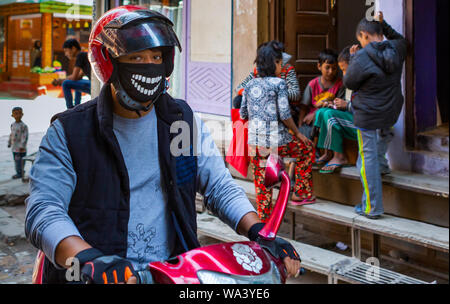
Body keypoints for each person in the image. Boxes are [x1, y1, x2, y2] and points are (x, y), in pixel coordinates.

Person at [25, 6, 301, 284]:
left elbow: (218, 186)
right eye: (137, 56)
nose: (149, 65)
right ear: (109, 62)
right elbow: (44, 210)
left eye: (156, 56)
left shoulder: (179, 122)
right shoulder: (71, 132)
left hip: (172, 274)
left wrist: (260, 232)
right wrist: (90, 260)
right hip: (98, 277)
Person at [240, 41, 315, 222]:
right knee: (306, 150)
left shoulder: (249, 85)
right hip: (277, 141)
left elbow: (243, 112)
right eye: (280, 63)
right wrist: (298, 133)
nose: (282, 67)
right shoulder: (279, 84)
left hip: (255, 144)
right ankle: (301, 192)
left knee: (262, 186)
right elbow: (285, 114)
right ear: (273, 63)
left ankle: (265, 227)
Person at [344, 12, 406, 219]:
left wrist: (353, 59)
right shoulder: (397, 48)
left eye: (360, 40)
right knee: (382, 138)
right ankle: (383, 167)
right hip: (390, 111)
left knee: (366, 159)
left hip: (368, 115)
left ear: (364, 35)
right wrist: (384, 24)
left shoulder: (361, 57)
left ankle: (372, 207)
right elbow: (400, 38)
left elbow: (349, 83)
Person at [313, 46, 358, 174]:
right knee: (321, 112)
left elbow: (365, 108)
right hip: (351, 118)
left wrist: (347, 105)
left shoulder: (363, 82)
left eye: (345, 70)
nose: (343, 74)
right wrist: (335, 104)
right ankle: (328, 152)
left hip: (362, 124)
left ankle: (340, 157)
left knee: (331, 116)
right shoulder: (350, 84)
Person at [299, 49, 345, 157]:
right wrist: (299, 126)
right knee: (304, 133)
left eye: (334, 68)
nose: (331, 71)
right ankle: (313, 155)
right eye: (327, 67)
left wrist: (315, 113)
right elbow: (304, 107)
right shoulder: (312, 84)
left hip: (328, 121)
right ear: (319, 66)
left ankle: (322, 154)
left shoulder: (340, 85)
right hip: (312, 123)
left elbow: (338, 107)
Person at [53, 39, 91, 109]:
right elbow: (78, 77)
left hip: (93, 86)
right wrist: (61, 80)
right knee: (76, 81)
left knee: (66, 83)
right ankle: (77, 107)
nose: (65, 54)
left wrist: (61, 81)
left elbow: (74, 77)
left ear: (73, 48)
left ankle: (70, 109)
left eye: (66, 51)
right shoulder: (83, 55)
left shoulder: (80, 55)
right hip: (93, 85)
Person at [8, 107, 28, 179]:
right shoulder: (12, 125)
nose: (18, 115)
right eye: (15, 114)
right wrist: (9, 142)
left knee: (21, 161)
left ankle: (20, 173)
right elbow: (11, 134)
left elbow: (25, 136)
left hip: (21, 148)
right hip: (14, 148)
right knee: (16, 161)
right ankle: (19, 172)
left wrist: (22, 146)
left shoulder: (23, 126)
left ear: (22, 114)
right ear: (12, 115)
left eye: (19, 113)